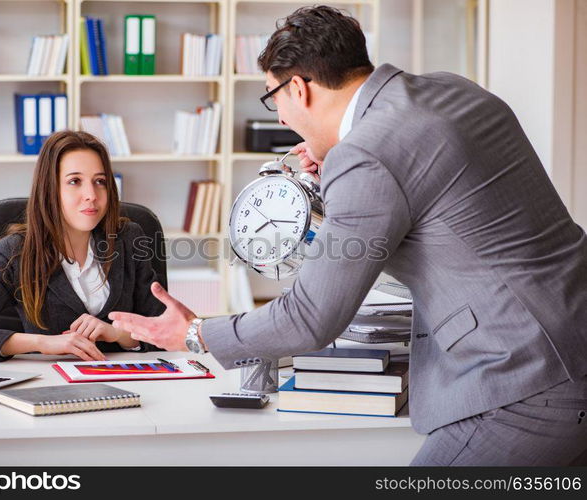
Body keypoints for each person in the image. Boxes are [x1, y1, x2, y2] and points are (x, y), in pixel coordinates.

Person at [109, 6, 587, 465]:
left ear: (299, 88)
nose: (279, 119)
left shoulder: (367, 155)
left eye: (274, 99)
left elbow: (311, 319)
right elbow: (441, 214)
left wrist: (195, 333)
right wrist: (341, 165)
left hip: (527, 383)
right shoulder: (450, 90)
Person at [0, 130, 164, 362]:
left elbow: (165, 330)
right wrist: (41, 343)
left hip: (133, 382)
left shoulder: (129, 239)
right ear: (50, 190)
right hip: (49, 388)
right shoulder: (18, 251)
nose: (91, 195)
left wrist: (118, 334)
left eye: (100, 181)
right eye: (75, 181)